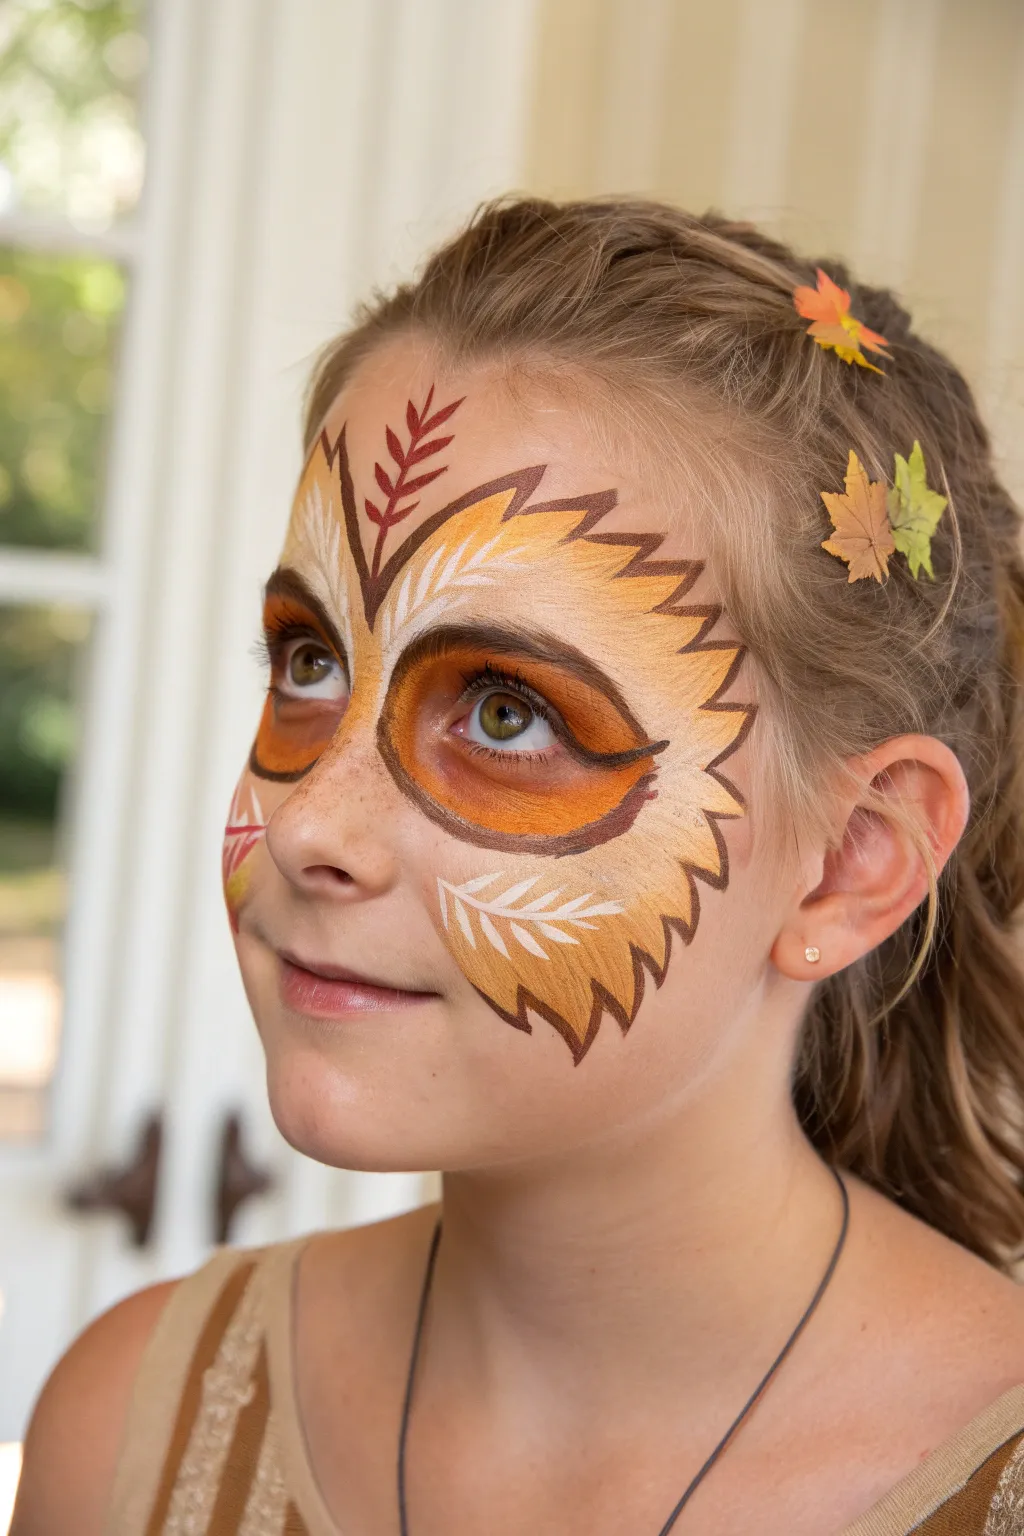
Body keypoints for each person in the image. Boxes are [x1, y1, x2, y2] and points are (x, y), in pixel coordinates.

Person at [14, 198, 1024, 1536]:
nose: (314, 824)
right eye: (310, 663)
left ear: (849, 863)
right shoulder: (129, 1434)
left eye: (509, 712)